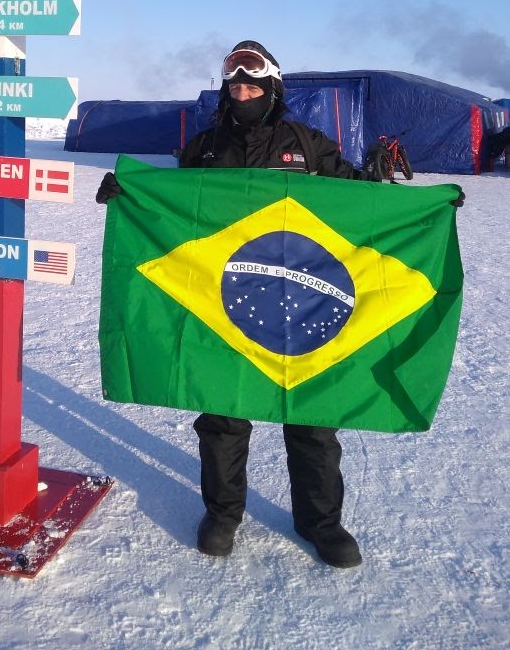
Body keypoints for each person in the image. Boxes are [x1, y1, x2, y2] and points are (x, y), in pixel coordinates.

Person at [96, 40, 379, 568]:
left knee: (312, 418)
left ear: (272, 89)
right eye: (235, 85)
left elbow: (358, 201)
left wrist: (410, 204)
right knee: (223, 412)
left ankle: (321, 522)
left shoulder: (308, 144)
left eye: (252, 85)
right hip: (228, 301)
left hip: (302, 299)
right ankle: (224, 514)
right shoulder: (203, 148)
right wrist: (130, 196)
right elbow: (174, 213)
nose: (242, 93)